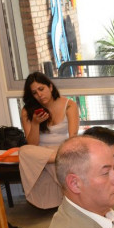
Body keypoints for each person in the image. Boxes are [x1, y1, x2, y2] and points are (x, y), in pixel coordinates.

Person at [18, 72, 79, 209]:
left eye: (41, 89)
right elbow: (32, 144)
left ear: (50, 87)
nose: (39, 95)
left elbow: (73, 137)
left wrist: (65, 152)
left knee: (49, 161)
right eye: (34, 93)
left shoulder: (69, 105)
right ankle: (57, 159)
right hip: (41, 152)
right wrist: (35, 123)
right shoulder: (27, 111)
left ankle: (57, 158)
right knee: (24, 151)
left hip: (62, 149)